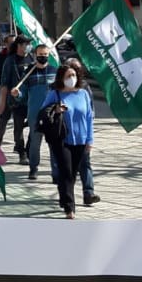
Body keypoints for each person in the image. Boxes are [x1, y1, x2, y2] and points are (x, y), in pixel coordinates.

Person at [40, 62, 95, 219]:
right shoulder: (55, 94)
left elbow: (90, 117)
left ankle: (64, 198)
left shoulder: (83, 94)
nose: (71, 78)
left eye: (73, 75)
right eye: (68, 76)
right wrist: (55, 110)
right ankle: (69, 208)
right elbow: (43, 112)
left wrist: (90, 139)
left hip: (81, 139)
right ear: (61, 78)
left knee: (72, 174)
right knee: (65, 172)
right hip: (61, 140)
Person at [19, 43, 57, 180]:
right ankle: (33, 168)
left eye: (45, 55)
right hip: (34, 113)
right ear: (35, 55)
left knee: (54, 144)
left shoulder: (54, 71)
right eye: (40, 55)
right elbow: (22, 93)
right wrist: (16, 93)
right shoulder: (28, 72)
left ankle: (56, 172)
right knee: (35, 143)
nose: (43, 57)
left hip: (52, 114)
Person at [0, 37, 32, 160]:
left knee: (19, 126)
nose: (28, 46)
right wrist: (2, 101)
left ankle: (21, 151)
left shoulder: (32, 59)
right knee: (3, 124)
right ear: (19, 46)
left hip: (24, 99)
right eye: (26, 44)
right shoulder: (10, 61)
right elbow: (4, 82)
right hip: (10, 99)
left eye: (29, 44)